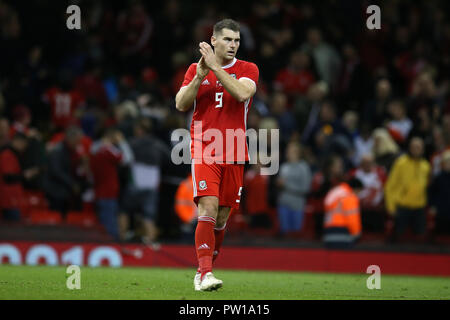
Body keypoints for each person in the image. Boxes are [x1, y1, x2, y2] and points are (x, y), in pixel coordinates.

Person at [175, 19, 259, 291]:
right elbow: (180, 104)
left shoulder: (248, 69)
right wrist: (200, 76)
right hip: (205, 147)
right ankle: (206, 273)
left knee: (222, 218)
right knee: (207, 208)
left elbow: (243, 93)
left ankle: (203, 271)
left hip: (235, 149)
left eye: (236, 40)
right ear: (213, 40)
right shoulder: (195, 69)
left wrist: (214, 68)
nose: (233, 45)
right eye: (227, 40)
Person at [384, 137, 431, 242]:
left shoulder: (426, 166)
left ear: (423, 149)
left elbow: (427, 187)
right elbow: (390, 186)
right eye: (414, 147)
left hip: (419, 207)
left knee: (420, 239)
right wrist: (391, 207)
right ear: (409, 148)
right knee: (399, 238)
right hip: (402, 206)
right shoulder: (401, 163)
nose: (416, 150)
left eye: (419, 147)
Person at [90, 128, 133, 240]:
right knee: (110, 226)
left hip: (99, 190)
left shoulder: (95, 149)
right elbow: (127, 159)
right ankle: (112, 247)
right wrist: (122, 142)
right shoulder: (108, 150)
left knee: (103, 223)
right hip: (108, 192)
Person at [276, 142, 312, 236]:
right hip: (283, 204)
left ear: (298, 153)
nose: (288, 153)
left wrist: (286, 185)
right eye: (288, 150)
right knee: (284, 235)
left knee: (296, 236)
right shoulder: (284, 167)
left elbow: (305, 188)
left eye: (291, 151)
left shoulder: (304, 167)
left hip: (297, 206)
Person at [0, 133, 38, 221]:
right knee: (13, 228)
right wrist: (25, 175)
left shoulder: (13, 155)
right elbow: (8, 177)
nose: (24, 148)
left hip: (12, 199)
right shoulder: (7, 155)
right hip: (8, 200)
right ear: (18, 141)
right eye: (24, 144)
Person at [323, 177, 363, 249]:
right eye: (359, 192)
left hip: (329, 233)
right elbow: (352, 218)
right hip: (343, 233)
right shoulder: (349, 197)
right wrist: (356, 233)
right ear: (356, 189)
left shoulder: (336, 192)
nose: (358, 195)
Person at [429, 150, 450, 236]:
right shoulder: (438, 178)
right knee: (440, 231)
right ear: (442, 164)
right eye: (447, 162)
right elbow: (432, 193)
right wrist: (432, 206)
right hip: (441, 209)